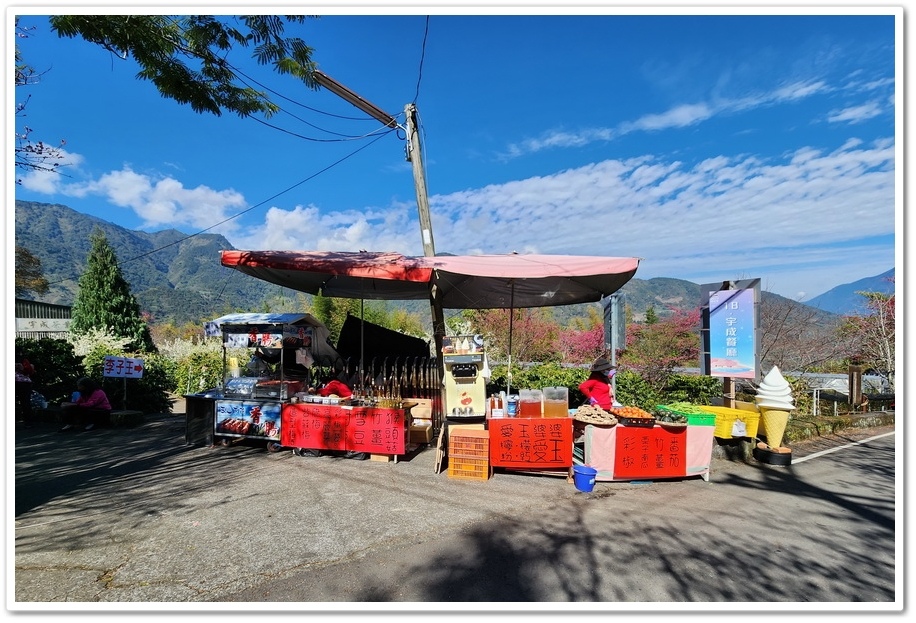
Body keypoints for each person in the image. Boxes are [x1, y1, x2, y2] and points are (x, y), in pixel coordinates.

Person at [15, 362, 34, 427]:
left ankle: (28, 422)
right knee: (26, 402)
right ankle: (28, 422)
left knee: (26, 402)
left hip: (21, 382)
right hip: (25, 382)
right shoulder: (25, 360)